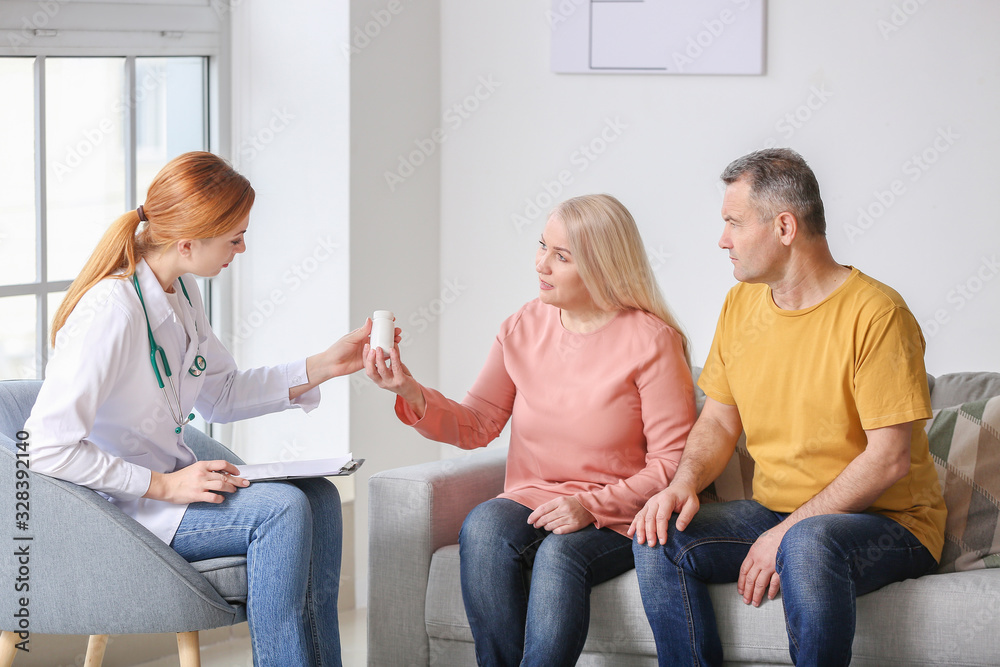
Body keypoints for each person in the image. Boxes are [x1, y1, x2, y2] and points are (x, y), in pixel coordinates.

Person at [25, 151, 376, 667]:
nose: (243, 247)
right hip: (119, 511)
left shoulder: (181, 290)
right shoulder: (110, 313)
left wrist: (322, 365)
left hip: (172, 488)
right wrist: (163, 486)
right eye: (235, 238)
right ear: (189, 243)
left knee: (320, 497)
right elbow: (45, 449)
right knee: (280, 511)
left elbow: (221, 394)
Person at [629, 148, 947, 667]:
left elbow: (888, 458)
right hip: (782, 513)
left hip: (891, 523)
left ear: (783, 227)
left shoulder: (878, 315)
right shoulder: (741, 304)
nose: (722, 239)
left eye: (733, 222)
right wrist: (683, 482)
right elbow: (718, 418)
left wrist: (786, 532)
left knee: (808, 544)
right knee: (657, 537)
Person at [364, 194, 696, 667]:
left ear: (602, 266)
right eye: (543, 246)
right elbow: (478, 423)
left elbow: (671, 466)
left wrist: (589, 506)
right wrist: (411, 391)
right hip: (534, 497)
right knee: (482, 527)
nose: (541, 263)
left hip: (621, 511)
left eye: (561, 256)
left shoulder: (652, 341)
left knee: (561, 558)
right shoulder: (521, 326)